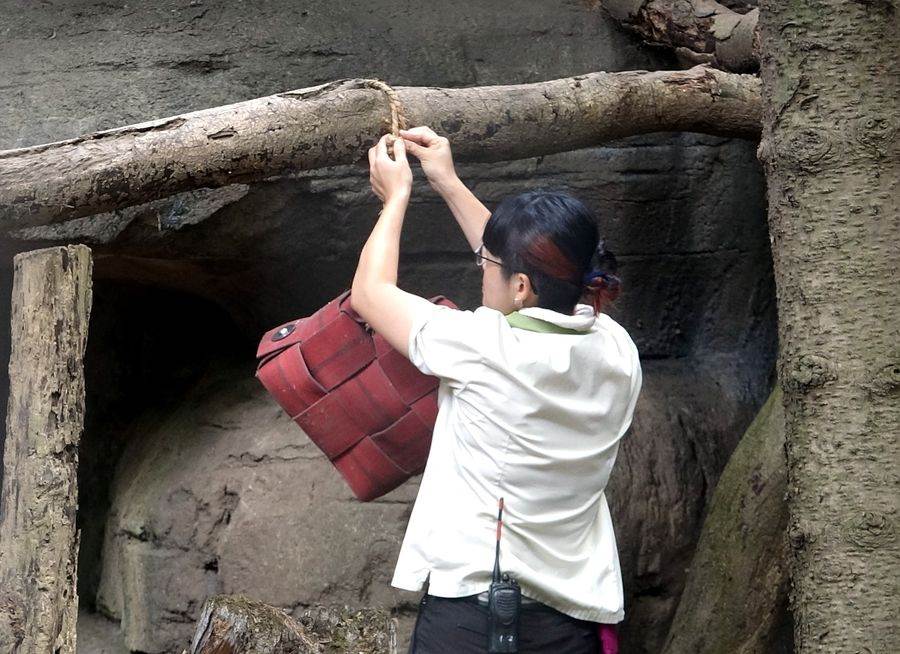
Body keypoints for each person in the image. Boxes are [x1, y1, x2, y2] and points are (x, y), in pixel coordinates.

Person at [351, 127, 642, 654]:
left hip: (474, 622)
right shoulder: (617, 350)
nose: (479, 268)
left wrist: (396, 198)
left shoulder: (482, 346)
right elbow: (533, 268)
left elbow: (370, 294)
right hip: (570, 624)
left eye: (487, 264)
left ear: (521, 286)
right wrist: (448, 181)